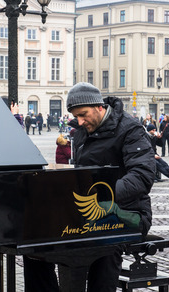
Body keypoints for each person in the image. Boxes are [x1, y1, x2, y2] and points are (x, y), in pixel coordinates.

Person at [23, 82, 155, 292]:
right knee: (34, 244)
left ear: (99, 106)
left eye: (83, 115)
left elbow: (142, 177)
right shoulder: (82, 132)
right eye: (77, 117)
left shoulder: (131, 130)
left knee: (104, 246)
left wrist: (102, 197)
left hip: (129, 211)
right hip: (89, 210)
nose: (81, 121)